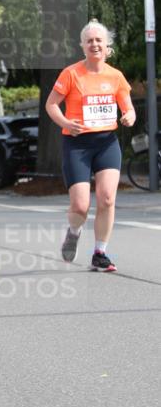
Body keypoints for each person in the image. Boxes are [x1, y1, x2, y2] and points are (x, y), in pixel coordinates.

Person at [45, 19, 135, 272]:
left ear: (107, 46)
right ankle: (74, 232)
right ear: (82, 46)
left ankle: (100, 252)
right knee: (80, 206)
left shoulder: (115, 76)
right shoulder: (71, 73)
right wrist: (66, 122)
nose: (95, 44)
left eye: (99, 41)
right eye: (90, 41)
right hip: (77, 144)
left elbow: (128, 108)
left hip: (106, 142)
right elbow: (51, 105)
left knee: (107, 199)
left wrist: (129, 117)